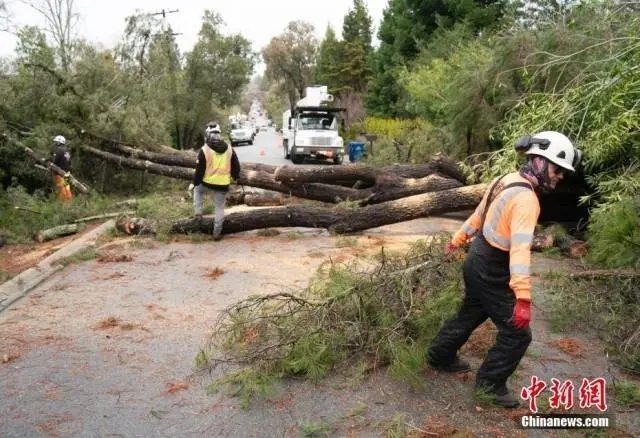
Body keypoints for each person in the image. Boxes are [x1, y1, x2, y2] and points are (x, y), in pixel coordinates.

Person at [426, 131, 583, 408]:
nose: (559, 178)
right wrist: (523, 298)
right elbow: (520, 251)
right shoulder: (527, 200)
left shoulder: (506, 179)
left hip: (476, 257)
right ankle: (490, 385)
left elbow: (478, 214)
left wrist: (458, 239)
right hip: (491, 267)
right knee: (518, 334)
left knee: (471, 312)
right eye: (558, 170)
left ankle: (440, 355)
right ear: (539, 161)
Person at [188, 122, 240, 241]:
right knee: (219, 208)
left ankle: (198, 214)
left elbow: (199, 171)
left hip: (207, 183)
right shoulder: (229, 149)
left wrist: (193, 183)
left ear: (208, 135)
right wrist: (236, 177)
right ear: (219, 134)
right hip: (222, 185)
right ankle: (216, 233)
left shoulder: (205, 150)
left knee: (197, 190)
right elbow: (236, 167)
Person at [51, 135, 73, 203]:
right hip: (66, 173)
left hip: (59, 173)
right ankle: (69, 203)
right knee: (67, 188)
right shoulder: (67, 151)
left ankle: (63, 205)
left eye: (56, 142)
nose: (54, 144)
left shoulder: (58, 150)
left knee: (61, 189)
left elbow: (54, 161)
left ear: (59, 142)